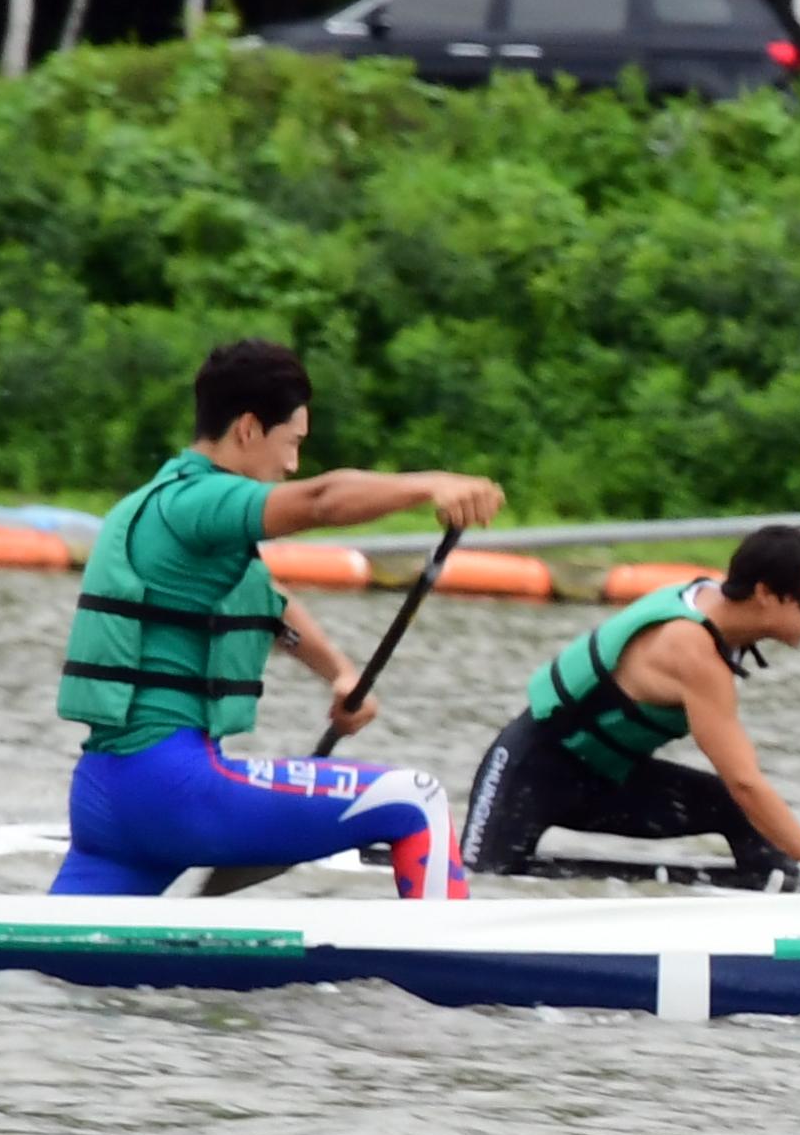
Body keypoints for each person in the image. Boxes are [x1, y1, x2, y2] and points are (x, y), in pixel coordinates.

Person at [51, 339, 501, 899]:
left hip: (107, 799)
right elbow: (319, 501)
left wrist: (338, 672)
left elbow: (266, 601)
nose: (291, 465)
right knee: (416, 800)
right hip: (172, 790)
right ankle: (452, 966)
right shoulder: (202, 501)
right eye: (291, 444)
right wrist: (430, 485)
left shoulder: (156, 507)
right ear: (246, 430)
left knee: (70, 966)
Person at [462, 524, 800, 890]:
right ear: (768, 595)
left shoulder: (737, 602)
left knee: (734, 812)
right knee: (480, 888)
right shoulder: (693, 651)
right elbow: (747, 780)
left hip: (608, 778)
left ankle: (780, 899)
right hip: (528, 774)